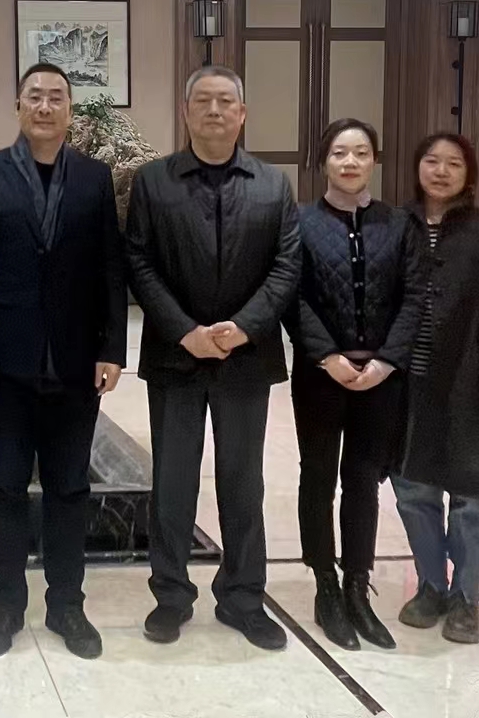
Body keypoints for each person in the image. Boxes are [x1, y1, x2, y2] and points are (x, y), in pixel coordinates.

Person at [125, 65, 301, 652]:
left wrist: (243, 327)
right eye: (203, 101)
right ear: (186, 112)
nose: (215, 110)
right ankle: (171, 596)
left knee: (242, 483)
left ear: (243, 114)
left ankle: (243, 597)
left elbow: (286, 265)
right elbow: (138, 262)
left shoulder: (273, 184)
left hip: (245, 360)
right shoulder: (153, 182)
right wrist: (185, 331)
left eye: (226, 101)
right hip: (176, 358)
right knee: (172, 483)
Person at [0, 63, 128, 661]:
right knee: (4, 485)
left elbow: (110, 267)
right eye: (35, 96)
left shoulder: (94, 178)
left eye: (57, 97)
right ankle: (5, 605)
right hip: (4, 365)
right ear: (18, 106)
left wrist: (113, 348)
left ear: (70, 110)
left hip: (76, 364)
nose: (46, 106)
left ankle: (66, 605)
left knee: (70, 488)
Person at [377, 132, 479, 646]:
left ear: (469, 174)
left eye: (453, 163)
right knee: (413, 490)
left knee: (471, 497)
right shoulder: (394, 227)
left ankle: (467, 598)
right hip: (408, 385)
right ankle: (431, 585)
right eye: (432, 161)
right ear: (416, 167)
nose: (441, 171)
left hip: (472, 387)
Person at [288, 119, 410, 652]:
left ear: (374, 161)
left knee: (363, 480)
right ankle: (325, 585)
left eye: (361, 152)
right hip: (321, 374)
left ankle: (358, 585)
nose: (351, 162)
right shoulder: (300, 222)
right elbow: (292, 296)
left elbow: (413, 297)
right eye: (340, 152)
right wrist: (326, 355)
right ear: (324, 161)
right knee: (317, 475)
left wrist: (387, 361)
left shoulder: (397, 224)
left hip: (381, 378)